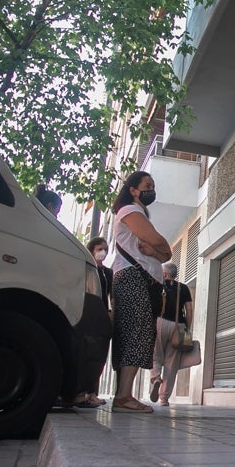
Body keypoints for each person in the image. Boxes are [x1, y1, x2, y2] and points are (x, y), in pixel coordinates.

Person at [108, 171, 171, 412]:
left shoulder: (139, 213)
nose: (151, 189)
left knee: (135, 334)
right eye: (147, 185)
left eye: (153, 185)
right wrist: (159, 247)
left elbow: (166, 253)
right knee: (135, 333)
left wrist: (158, 250)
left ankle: (124, 395)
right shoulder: (129, 212)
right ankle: (123, 397)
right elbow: (159, 242)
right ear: (133, 190)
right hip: (134, 279)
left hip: (139, 280)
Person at [73, 236, 113, 408]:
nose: (103, 252)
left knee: (99, 353)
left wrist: (111, 313)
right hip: (86, 311)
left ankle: (92, 393)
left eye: (105, 248)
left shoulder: (108, 272)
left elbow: (111, 295)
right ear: (92, 250)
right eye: (99, 249)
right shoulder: (85, 267)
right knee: (85, 351)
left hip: (102, 313)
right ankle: (79, 392)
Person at [149, 262, 194, 406]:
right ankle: (164, 398)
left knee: (155, 355)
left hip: (160, 322)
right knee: (171, 363)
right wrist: (187, 327)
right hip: (178, 325)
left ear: (164, 274)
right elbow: (189, 310)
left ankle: (156, 378)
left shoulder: (157, 284)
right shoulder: (184, 288)